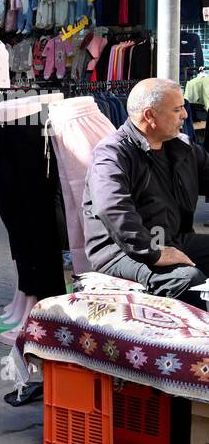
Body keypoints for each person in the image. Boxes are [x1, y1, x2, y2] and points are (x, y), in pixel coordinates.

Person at [82, 77, 209, 305]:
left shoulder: (181, 147)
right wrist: (155, 252)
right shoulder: (112, 154)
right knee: (188, 280)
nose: (185, 116)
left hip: (171, 239)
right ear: (150, 115)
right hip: (123, 253)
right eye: (178, 109)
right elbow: (113, 208)